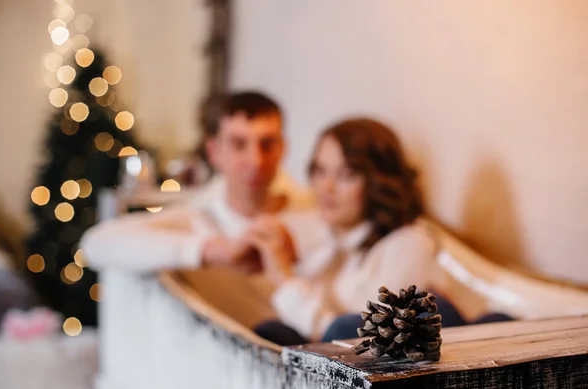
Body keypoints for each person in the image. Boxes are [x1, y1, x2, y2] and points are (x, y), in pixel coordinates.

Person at [244, 118, 511, 345]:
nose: (326, 187)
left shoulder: (410, 243)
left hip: (385, 368)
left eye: (346, 175)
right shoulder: (329, 235)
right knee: (268, 332)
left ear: (377, 181)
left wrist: (285, 279)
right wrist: (291, 260)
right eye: (320, 171)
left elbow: (355, 341)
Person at [81, 91, 311, 273]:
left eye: (267, 144)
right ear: (214, 151)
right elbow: (96, 244)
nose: (256, 160)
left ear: (283, 148)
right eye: (239, 144)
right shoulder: (198, 219)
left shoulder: (311, 213)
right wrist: (208, 251)